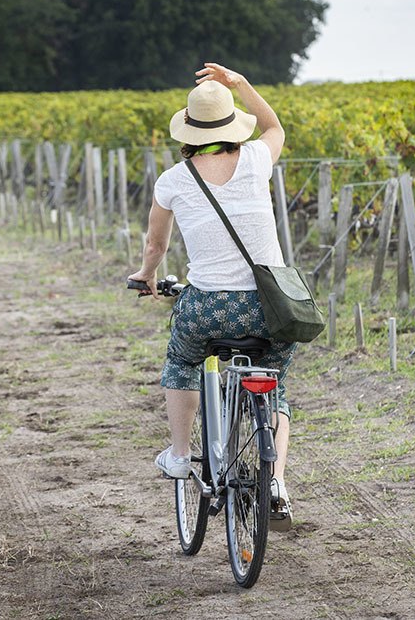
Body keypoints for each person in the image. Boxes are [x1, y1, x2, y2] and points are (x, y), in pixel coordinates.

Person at [128, 62, 298, 530]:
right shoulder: (258, 160)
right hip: (270, 307)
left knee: (182, 362)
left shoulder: (173, 180)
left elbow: (155, 246)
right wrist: (240, 83)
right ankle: (277, 484)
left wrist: (146, 275)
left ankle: (182, 456)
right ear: (231, 126)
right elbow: (275, 126)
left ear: (189, 131)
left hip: (208, 307)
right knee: (275, 383)